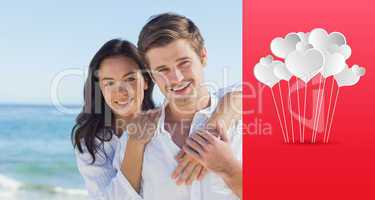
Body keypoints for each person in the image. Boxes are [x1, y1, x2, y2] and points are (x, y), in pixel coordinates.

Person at [72, 38, 241, 200]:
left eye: (130, 79)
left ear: (146, 80)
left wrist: (212, 130)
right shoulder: (92, 142)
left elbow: (243, 92)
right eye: (109, 83)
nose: (121, 91)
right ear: (100, 87)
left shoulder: (163, 121)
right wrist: (135, 144)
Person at [114, 12, 242, 200]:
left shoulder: (243, 120)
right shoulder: (135, 139)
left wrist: (229, 169)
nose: (176, 78)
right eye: (162, 70)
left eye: (184, 63)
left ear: (203, 56)